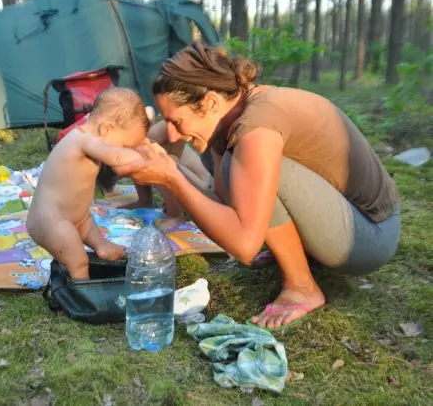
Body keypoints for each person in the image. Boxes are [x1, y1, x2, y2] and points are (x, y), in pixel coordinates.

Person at [113, 41, 401, 329]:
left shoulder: (256, 128)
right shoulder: (231, 116)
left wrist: (172, 178)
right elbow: (226, 207)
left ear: (210, 102)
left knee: (252, 166)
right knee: (237, 171)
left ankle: (302, 287)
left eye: (177, 121)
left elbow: (245, 244)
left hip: (368, 235)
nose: (173, 134)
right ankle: (292, 257)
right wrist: (154, 161)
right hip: (342, 220)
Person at [27, 87, 150, 281]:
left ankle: (101, 247)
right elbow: (116, 156)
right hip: (50, 221)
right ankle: (84, 292)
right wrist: (146, 157)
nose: (127, 149)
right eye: (127, 145)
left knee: (85, 222)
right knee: (79, 261)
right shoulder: (83, 140)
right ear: (107, 128)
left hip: (75, 216)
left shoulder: (92, 138)